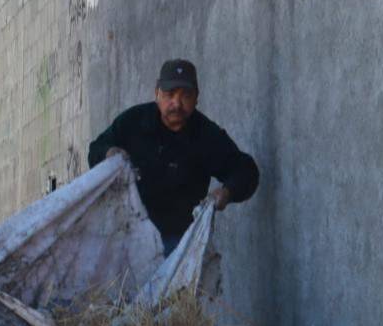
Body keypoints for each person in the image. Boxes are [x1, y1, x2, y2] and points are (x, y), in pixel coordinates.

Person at [87, 59, 259, 256]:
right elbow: (96, 149)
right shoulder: (133, 122)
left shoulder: (206, 135)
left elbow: (245, 170)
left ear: (197, 98)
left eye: (186, 95)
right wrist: (110, 153)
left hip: (178, 246)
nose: (177, 103)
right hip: (127, 234)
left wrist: (227, 193)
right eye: (169, 95)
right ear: (157, 93)